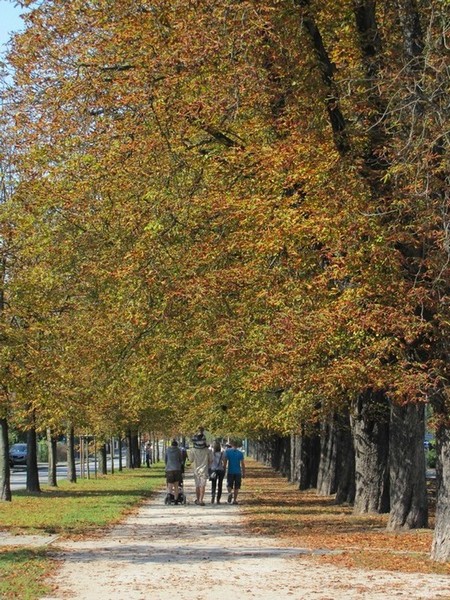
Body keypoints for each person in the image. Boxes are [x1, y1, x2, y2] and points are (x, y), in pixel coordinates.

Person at [188, 427, 211, 505]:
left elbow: (190, 460)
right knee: (203, 485)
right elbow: (211, 460)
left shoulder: (193, 450)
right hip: (204, 469)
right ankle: (201, 499)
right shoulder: (207, 450)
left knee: (197, 485)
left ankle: (198, 499)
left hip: (196, 469)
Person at [223, 439, 245, 505]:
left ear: (232, 445)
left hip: (230, 471)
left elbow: (225, 462)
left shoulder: (228, 452)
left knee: (229, 484)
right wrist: (243, 472)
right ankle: (235, 500)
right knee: (237, 486)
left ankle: (230, 493)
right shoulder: (240, 453)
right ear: (237, 446)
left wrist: (224, 469)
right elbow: (242, 464)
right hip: (238, 472)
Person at [165, 439, 183, 504]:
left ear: (171, 444)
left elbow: (165, 459)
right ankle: (176, 499)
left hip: (169, 469)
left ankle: (169, 496)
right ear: (177, 445)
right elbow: (181, 460)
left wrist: (167, 466)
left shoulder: (167, 450)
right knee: (176, 485)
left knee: (169, 484)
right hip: (177, 469)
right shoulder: (178, 450)